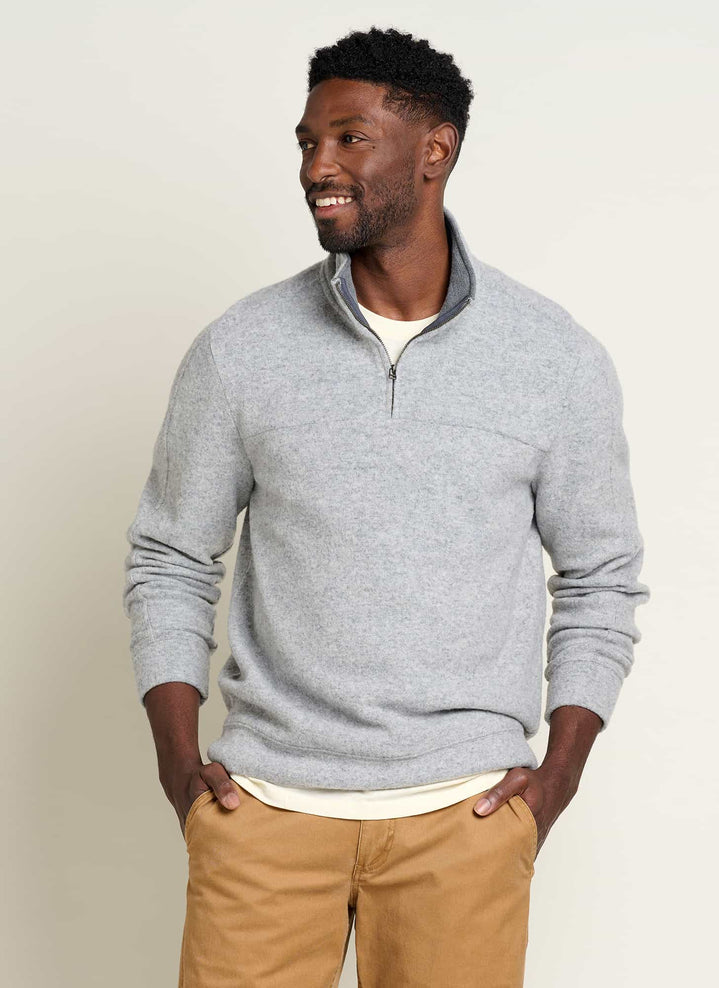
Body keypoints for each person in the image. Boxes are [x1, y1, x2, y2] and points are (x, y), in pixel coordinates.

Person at [123, 25, 650, 988]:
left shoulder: (553, 357)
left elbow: (600, 578)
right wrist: (178, 767)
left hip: (466, 820)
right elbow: (171, 557)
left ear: (434, 151)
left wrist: (556, 780)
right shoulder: (242, 347)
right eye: (307, 142)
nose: (316, 167)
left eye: (349, 139)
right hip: (263, 814)